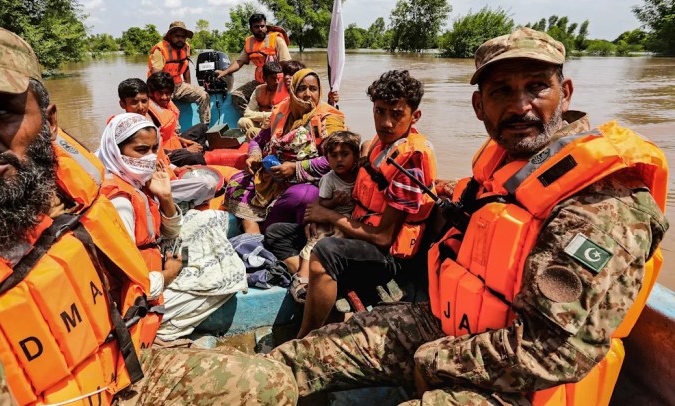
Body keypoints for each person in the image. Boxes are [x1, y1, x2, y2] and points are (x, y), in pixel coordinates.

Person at [0, 19, 297, 405]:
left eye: (1, 113)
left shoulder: (68, 190)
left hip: (119, 359)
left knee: (273, 383)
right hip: (73, 390)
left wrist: (167, 205)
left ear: (50, 122)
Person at [268, 28, 668, 405]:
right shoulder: (499, 167)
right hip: (452, 321)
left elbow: (553, 353)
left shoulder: (601, 205)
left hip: (520, 387)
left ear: (564, 93)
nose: (519, 105)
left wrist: (435, 359)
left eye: (536, 86)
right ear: (479, 106)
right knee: (298, 359)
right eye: (500, 92)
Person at [265, 70, 437, 338]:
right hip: (357, 228)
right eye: (380, 112)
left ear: (415, 116)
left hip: (386, 256)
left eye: (397, 114)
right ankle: (317, 283)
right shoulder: (381, 144)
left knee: (325, 250)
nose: (387, 123)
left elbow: (382, 238)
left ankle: (304, 337)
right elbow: (368, 147)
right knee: (277, 233)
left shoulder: (409, 163)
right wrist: (320, 216)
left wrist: (329, 216)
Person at [97, 113, 246, 341]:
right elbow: (133, 283)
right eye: (140, 150)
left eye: (153, 149)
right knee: (227, 276)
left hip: (153, 261)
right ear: (115, 150)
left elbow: (169, 231)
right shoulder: (119, 203)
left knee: (205, 219)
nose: (148, 158)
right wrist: (170, 273)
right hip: (134, 298)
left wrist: (166, 197)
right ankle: (160, 332)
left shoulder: (135, 180)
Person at [224, 68, 345, 234]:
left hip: (310, 180)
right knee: (236, 182)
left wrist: (294, 168)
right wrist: (254, 155)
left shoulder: (328, 119)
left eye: (313, 89)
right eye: (302, 89)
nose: (308, 94)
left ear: (320, 91)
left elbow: (337, 161)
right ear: (293, 91)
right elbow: (258, 140)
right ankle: (252, 233)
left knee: (303, 196)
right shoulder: (281, 112)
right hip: (272, 177)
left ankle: (268, 230)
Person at [116, 78, 216, 207]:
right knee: (207, 184)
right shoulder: (122, 133)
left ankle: (183, 201)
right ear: (122, 104)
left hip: (166, 178)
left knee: (208, 181)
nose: (141, 107)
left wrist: (176, 168)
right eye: (134, 102)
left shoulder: (148, 126)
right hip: (153, 189)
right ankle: (179, 205)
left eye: (144, 101)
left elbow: (159, 158)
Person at [289, 130, 362, 304]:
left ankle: (333, 278)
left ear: (356, 156)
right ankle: (302, 278)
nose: (339, 160)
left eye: (345, 154)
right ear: (327, 159)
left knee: (339, 243)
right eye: (333, 155)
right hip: (329, 218)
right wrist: (335, 201)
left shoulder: (361, 174)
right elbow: (321, 204)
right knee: (314, 242)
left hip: (350, 220)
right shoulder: (329, 179)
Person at [216, 13, 291, 113]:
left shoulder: (277, 40)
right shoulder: (249, 43)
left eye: (262, 26)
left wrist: (284, 83)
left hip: (276, 81)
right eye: (256, 27)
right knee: (236, 95)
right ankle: (252, 118)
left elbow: (286, 63)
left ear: (265, 26)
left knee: (276, 101)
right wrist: (224, 72)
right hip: (259, 81)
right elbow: (240, 61)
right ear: (251, 28)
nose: (260, 29)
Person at [147, 21, 212, 124]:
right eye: (177, 36)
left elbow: (185, 67)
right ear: (170, 36)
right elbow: (156, 77)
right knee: (173, 111)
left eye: (183, 37)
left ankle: (204, 127)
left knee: (204, 95)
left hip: (179, 86)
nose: (180, 39)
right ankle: (175, 133)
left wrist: (188, 86)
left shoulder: (185, 47)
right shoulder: (160, 50)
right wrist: (163, 95)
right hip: (162, 89)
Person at [147, 71, 208, 167]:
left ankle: (195, 153)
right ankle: (193, 157)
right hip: (165, 154)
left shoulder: (167, 104)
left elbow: (171, 134)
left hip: (175, 143)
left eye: (167, 93)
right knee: (197, 157)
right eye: (160, 93)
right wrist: (185, 150)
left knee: (202, 128)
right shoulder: (148, 114)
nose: (164, 97)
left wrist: (183, 141)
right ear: (151, 93)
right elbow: (152, 150)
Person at [237, 61, 288, 140]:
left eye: (279, 78)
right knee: (243, 121)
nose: (277, 82)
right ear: (264, 78)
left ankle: (261, 139)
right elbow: (247, 113)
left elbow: (285, 115)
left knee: (252, 131)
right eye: (273, 78)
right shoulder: (259, 90)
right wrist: (267, 115)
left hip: (278, 126)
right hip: (262, 124)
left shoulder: (285, 91)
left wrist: (272, 116)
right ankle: (261, 139)